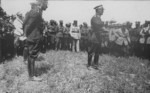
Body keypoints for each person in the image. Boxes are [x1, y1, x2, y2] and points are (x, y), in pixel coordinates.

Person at [23, 0, 48, 81]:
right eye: (46, 4)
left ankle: (32, 75)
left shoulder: (33, 12)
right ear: (41, 4)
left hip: (32, 36)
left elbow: (26, 24)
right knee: (32, 56)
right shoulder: (36, 12)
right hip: (34, 37)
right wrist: (26, 35)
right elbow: (29, 25)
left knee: (31, 56)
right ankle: (32, 76)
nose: (47, 6)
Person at [87, 5, 104, 70]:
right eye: (101, 10)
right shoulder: (94, 18)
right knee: (91, 51)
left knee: (97, 52)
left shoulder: (98, 18)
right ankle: (89, 65)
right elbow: (98, 25)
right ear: (97, 10)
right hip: (94, 36)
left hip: (98, 36)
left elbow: (100, 25)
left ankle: (95, 65)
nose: (102, 11)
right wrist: (103, 24)